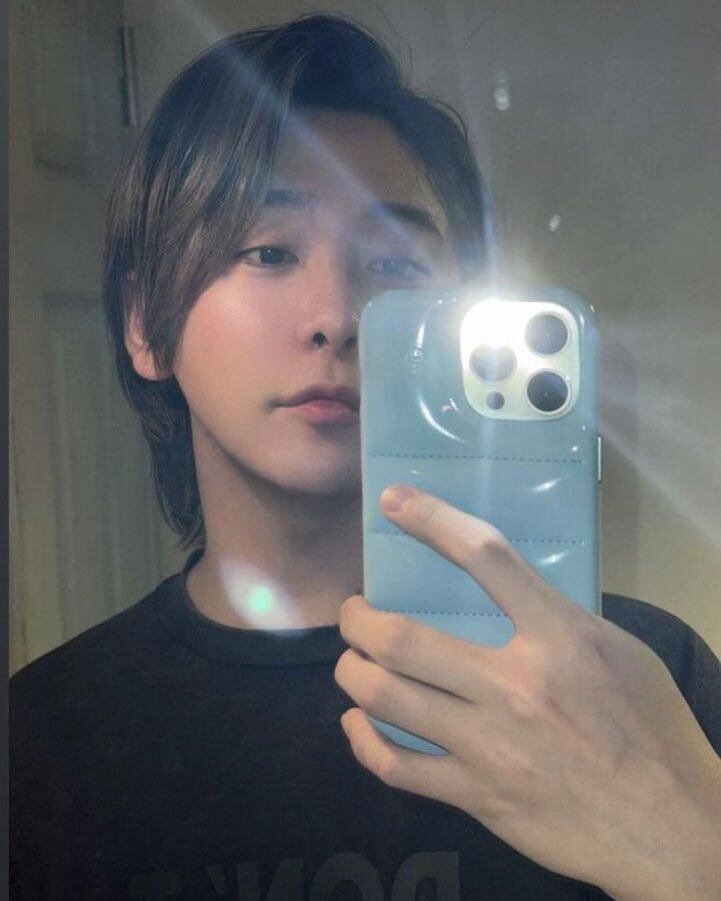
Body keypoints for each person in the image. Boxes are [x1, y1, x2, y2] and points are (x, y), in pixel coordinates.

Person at [10, 13, 721, 900]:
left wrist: (690, 849)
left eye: (394, 263)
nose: (336, 316)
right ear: (144, 324)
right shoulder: (39, 746)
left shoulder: (641, 681)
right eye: (267, 251)